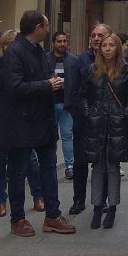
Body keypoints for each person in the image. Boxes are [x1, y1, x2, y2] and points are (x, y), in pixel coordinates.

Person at [1, 10, 76, 237]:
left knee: (49, 168)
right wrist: (46, 85)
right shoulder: (15, 52)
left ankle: (52, 215)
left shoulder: (39, 52)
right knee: (18, 171)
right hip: (21, 124)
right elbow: (13, 87)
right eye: (45, 26)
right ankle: (18, 219)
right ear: (37, 28)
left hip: (43, 121)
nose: (48, 29)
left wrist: (52, 85)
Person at [0, 29, 43, 217]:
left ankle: (38, 195)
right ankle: (1, 200)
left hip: (23, 116)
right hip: (0, 115)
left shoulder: (27, 62)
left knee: (30, 160)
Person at [79, 33, 128, 229]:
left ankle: (112, 208)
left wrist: (124, 114)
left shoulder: (127, 71)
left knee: (113, 167)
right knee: (97, 167)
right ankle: (97, 207)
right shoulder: (91, 70)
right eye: (104, 45)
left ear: (118, 48)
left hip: (117, 124)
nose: (107, 48)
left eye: (111, 45)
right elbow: (83, 95)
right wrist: (89, 113)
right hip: (96, 124)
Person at [69, 23, 110, 215]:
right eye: (93, 35)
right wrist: (84, 113)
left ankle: (102, 199)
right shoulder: (80, 61)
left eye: (100, 35)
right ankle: (79, 199)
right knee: (80, 161)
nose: (96, 38)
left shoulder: (117, 62)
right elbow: (75, 91)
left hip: (106, 121)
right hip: (84, 120)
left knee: (103, 163)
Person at [48, 31, 79, 180]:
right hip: (49, 103)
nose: (62, 44)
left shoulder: (73, 60)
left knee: (67, 136)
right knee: (50, 136)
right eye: (59, 41)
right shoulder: (46, 59)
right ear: (53, 43)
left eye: (64, 41)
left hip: (67, 104)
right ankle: (50, 165)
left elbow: (77, 82)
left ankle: (70, 166)